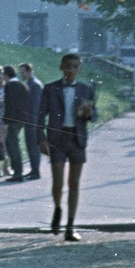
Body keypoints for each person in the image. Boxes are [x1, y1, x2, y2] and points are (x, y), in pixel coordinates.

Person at [36, 53, 96, 242]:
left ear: (80, 69)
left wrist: (88, 113)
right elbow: (39, 116)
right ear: (61, 67)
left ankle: (70, 226)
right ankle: (58, 208)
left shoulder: (86, 89)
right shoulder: (50, 89)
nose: (71, 69)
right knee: (58, 182)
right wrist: (40, 139)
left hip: (77, 139)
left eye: (75, 66)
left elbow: (94, 116)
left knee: (75, 183)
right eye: (68, 66)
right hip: (57, 139)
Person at [1, 63, 42, 181]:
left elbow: (34, 106)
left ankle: (30, 171)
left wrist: (5, 121)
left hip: (30, 120)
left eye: (23, 72)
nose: (21, 74)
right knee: (28, 144)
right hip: (25, 119)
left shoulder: (34, 85)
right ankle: (32, 170)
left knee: (28, 144)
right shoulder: (24, 84)